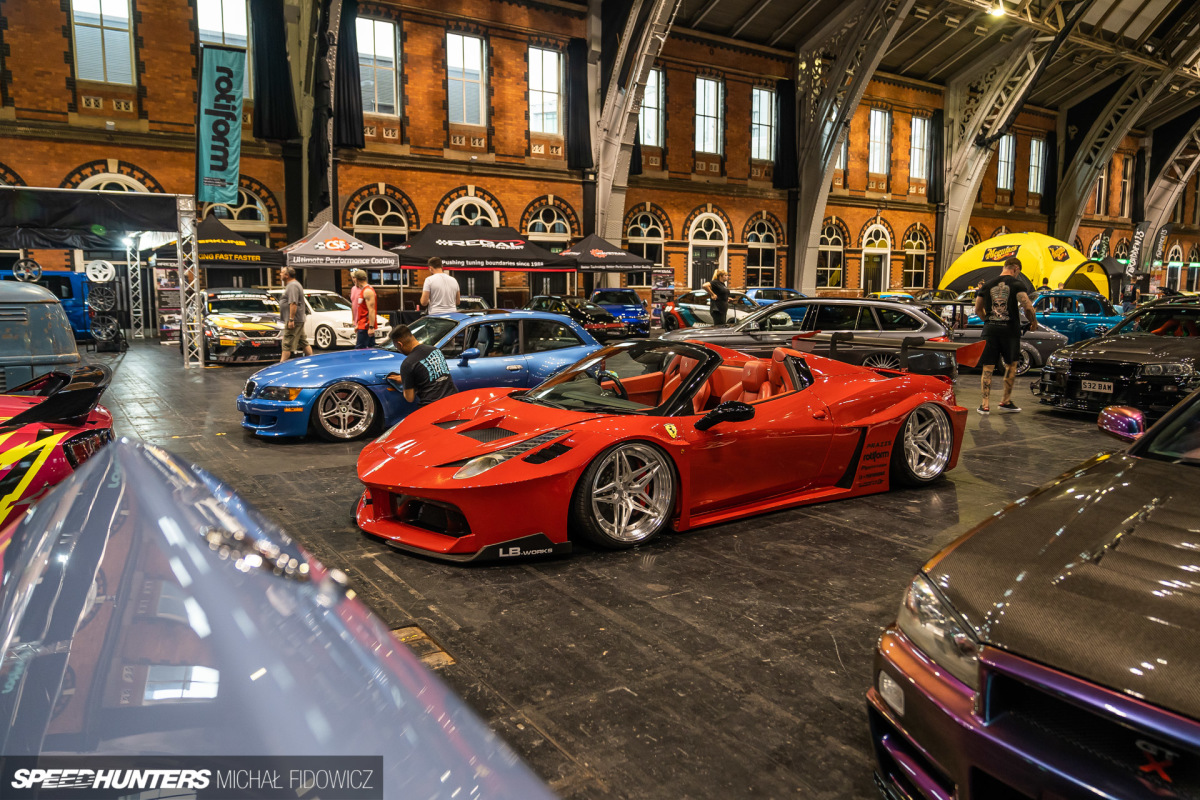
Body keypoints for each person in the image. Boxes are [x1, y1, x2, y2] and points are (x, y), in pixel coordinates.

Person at [974, 257, 1038, 415]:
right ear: (1016, 269)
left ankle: (985, 405)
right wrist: (1033, 322)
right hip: (1010, 332)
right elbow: (1028, 307)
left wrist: (989, 321)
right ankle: (1005, 401)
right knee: (1011, 365)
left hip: (990, 331)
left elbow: (977, 309)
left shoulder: (987, 285)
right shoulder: (1017, 284)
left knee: (988, 367)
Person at [389, 325, 457, 406]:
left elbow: (409, 398)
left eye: (397, 348)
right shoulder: (435, 350)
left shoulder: (408, 363)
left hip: (432, 407)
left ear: (400, 344)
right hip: (453, 401)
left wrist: (406, 382)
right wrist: (407, 379)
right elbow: (431, 377)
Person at [279, 266, 312, 362]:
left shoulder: (292, 286)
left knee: (287, 344)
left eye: (282, 273)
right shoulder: (293, 285)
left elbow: (293, 303)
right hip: (298, 320)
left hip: (295, 320)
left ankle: (281, 366)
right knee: (303, 342)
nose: (280, 274)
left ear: (287, 275)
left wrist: (291, 319)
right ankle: (312, 359)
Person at [353, 270, 377, 349]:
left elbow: (372, 310)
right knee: (369, 349)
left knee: (360, 350)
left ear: (356, 279)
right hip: (363, 325)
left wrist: (371, 327)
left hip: (366, 326)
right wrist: (358, 324)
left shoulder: (367, 291)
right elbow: (363, 310)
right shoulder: (364, 290)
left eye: (354, 278)